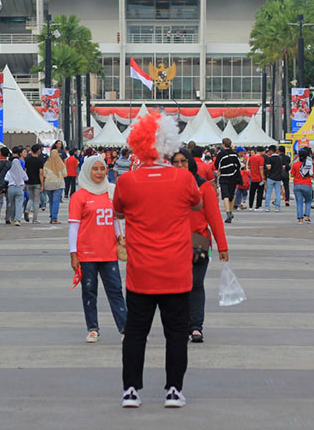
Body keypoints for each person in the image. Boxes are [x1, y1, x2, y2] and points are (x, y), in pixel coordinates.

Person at [114, 113, 202, 409]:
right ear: (169, 144)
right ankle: (174, 390)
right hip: (176, 271)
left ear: (138, 145)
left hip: (140, 272)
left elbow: (119, 211)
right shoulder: (184, 177)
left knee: (136, 333)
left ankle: (130, 390)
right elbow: (198, 202)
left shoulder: (127, 181)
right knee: (176, 334)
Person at [171, 148, 229, 344]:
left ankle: (196, 327)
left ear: (190, 163)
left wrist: (223, 246)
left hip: (199, 242)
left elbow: (214, 217)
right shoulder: (167, 185)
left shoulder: (203, 187)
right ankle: (181, 324)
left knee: (195, 285)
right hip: (173, 242)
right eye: (176, 162)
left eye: (183, 161)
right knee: (177, 287)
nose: (179, 165)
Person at [68, 155, 127, 343]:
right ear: (87, 171)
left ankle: (126, 329)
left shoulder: (112, 191)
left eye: (102, 168)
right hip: (87, 254)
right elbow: (73, 227)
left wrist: (121, 237)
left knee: (115, 290)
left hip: (109, 252)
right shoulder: (79, 196)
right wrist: (73, 254)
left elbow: (115, 220)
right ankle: (92, 328)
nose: (99, 172)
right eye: (95, 169)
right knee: (89, 291)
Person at [215, 137, 242, 224]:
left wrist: (220, 170)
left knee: (225, 195)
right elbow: (239, 165)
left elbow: (217, 165)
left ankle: (228, 213)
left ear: (223, 144)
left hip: (224, 177)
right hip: (233, 177)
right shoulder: (235, 154)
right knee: (231, 195)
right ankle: (230, 211)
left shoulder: (221, 154)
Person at [43, 147, 67, 224]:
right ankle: (54, 218)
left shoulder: (46, 164)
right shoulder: (61, 164)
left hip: (48, 184)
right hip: (58, 184)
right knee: (56, 202)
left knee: (51, 201)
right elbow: (65, 174)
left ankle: (52, 216)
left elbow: (44, 174)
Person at [291, 148, 314, 223]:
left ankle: (300, 219)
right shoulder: (309, 164)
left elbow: (292, 174)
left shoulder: (295, 164)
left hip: (297, 185)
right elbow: (312, 174)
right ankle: (307, 217)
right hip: (307, 184)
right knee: (308, 201)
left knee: (299, 202)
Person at [24, 143, 44, 223]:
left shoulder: (28, 160)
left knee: (30, 199)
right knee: (36, 200)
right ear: (38, 150)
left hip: (29, 182)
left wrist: (25, 182)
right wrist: (42, 185)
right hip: (37, 182)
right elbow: (41, 174)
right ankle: (35, 219)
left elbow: (25, 171)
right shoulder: (40, 160)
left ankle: (27, 210)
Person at [263, 145, 284, 212]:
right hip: (278, 178)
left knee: (269, 192)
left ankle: (267, 207)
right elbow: (282, 168)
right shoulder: (280, 158)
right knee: (278, 193)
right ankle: (277, 208)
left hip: (271, 177)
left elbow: (269, 168)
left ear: (271, 151)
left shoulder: (270, 159)